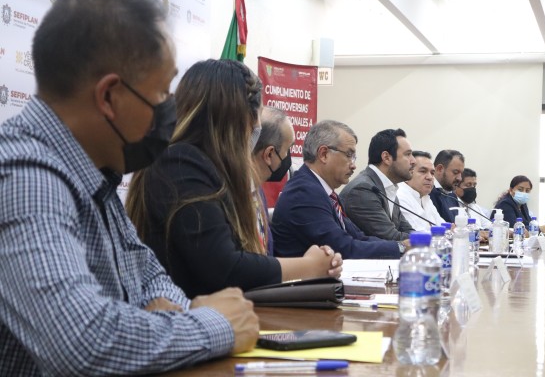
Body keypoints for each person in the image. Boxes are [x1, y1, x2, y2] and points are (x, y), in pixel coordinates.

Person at [0, 0, 258, 376]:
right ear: (109, 97)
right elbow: (82, 341)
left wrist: (159, 320)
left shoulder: (93, 173)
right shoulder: (24, 176)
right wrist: (215, 324)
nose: (170, 109)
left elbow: (151, 279)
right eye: (162, 93)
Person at [126, 60, 342, 298]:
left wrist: (310, 265)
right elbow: (223, 266)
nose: (255, 134)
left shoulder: (201, 167)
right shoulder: (181, 164)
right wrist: (308, 266)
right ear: (236, 122)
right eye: (254, 125)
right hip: (187, 314)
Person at [272, 120, 404, 259]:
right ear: (324, 154)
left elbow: (359, 237)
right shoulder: (303, 192)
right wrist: (400, 248)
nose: (353, 165)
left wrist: (400, 246)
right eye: (349, 155)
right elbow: (344, 248)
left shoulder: (326, 192)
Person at [339, 128, 415, 241]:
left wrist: (432, 239)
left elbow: (406, 229)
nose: (413, 161)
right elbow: (391, 237)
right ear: (386, 157)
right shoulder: (362, 189)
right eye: (407, 154)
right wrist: (432, 240)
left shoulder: (388, 187)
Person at [251, 106, 294, 254]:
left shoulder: (257, 189)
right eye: (287, 149)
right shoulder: (231, 194)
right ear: (269, 154)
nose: (288, 157)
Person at [396, 151, 446, 232]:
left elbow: (443, 226)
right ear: (407, 172)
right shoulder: (400, 196)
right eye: (423, 171)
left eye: (432, 173)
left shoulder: (425, 197)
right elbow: (418, 233)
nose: (430, 177)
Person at [430, 149, 465, 223]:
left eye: (461, 173)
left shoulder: (452, 195)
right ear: (439, 169)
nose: (460, 178)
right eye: (455, 172)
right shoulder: (429, 192)